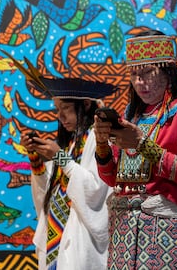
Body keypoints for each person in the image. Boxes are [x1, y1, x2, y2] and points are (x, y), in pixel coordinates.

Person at [93, 29, 177, 269]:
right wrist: (102, 147)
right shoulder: (134, 115)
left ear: (167, 71)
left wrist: (142, 145)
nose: (140, 81)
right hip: (124, 233)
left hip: (166, 230)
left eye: (148, 72)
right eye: (134, 74)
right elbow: (113, 180)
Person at [20, 77, 115, 270]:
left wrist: (61, 158)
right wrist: (36, 158)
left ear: (86, 105)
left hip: (82, 242)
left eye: (65, 108)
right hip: (58, 235)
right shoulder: (73, 142)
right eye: (57, 110)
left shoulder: (100, 140)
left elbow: (95, 189)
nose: (60, 116)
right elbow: (53, 194)